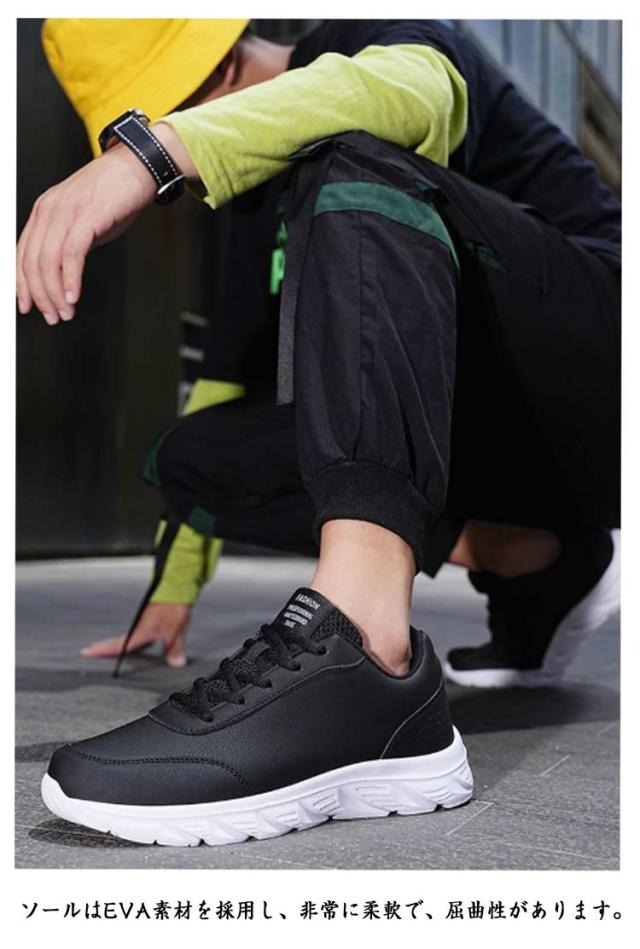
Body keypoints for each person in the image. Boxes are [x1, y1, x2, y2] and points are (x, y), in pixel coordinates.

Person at [18, 19, 620, 846]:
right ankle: (539, 560)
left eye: (164, 122)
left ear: (214, 75)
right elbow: (223, 380)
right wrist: (172, 594)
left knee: (352, 152)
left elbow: (413, 97)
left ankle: (365, 646)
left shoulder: (374, 35)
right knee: (193, 456)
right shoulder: (244, 201)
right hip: (488, 428)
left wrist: (153, 154)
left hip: (601, 371)